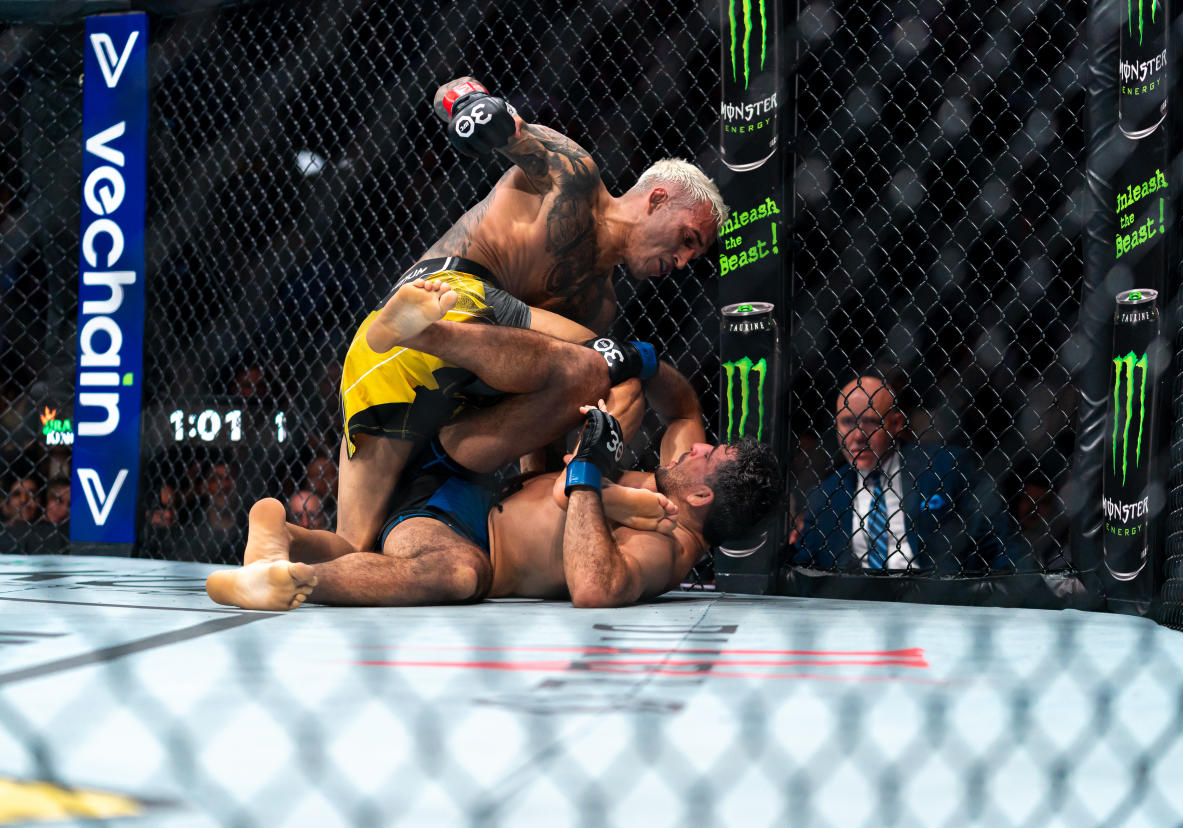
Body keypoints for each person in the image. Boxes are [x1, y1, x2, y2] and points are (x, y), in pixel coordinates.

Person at [281, 75, 728, 569]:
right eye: (688, 239)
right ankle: (587, 480)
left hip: (399, 361)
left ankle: (270, 541)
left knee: (353, 545)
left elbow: (552, 406)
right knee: (615, 370)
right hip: (448, 291)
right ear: (658, 199)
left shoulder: (599, 301)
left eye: (695, 254)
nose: (684, 261)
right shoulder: (577, 178)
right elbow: (477, 109)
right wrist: (468, 104)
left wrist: (532, 490)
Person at [207, 281, 781, 610]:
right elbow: (680, 405)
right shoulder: (674, 476)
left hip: (455, 523)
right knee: (602, 379)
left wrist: (587, 471)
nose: (700, 448)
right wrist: (642, 358)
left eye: (712, 456)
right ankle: (432, 333)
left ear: (704, 496)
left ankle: (284, 554)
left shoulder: (669, 549)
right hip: (476, 461)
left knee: (459, 575)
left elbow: (595, 587)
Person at [791, 373, 1014, 573]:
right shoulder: (824, 496)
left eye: (870, 422)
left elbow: (996, 539)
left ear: (896, 423)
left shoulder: (946, 467)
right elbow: (804, 566)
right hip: (858, 604)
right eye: (847, 422)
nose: (858, 436)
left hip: (932, 598)